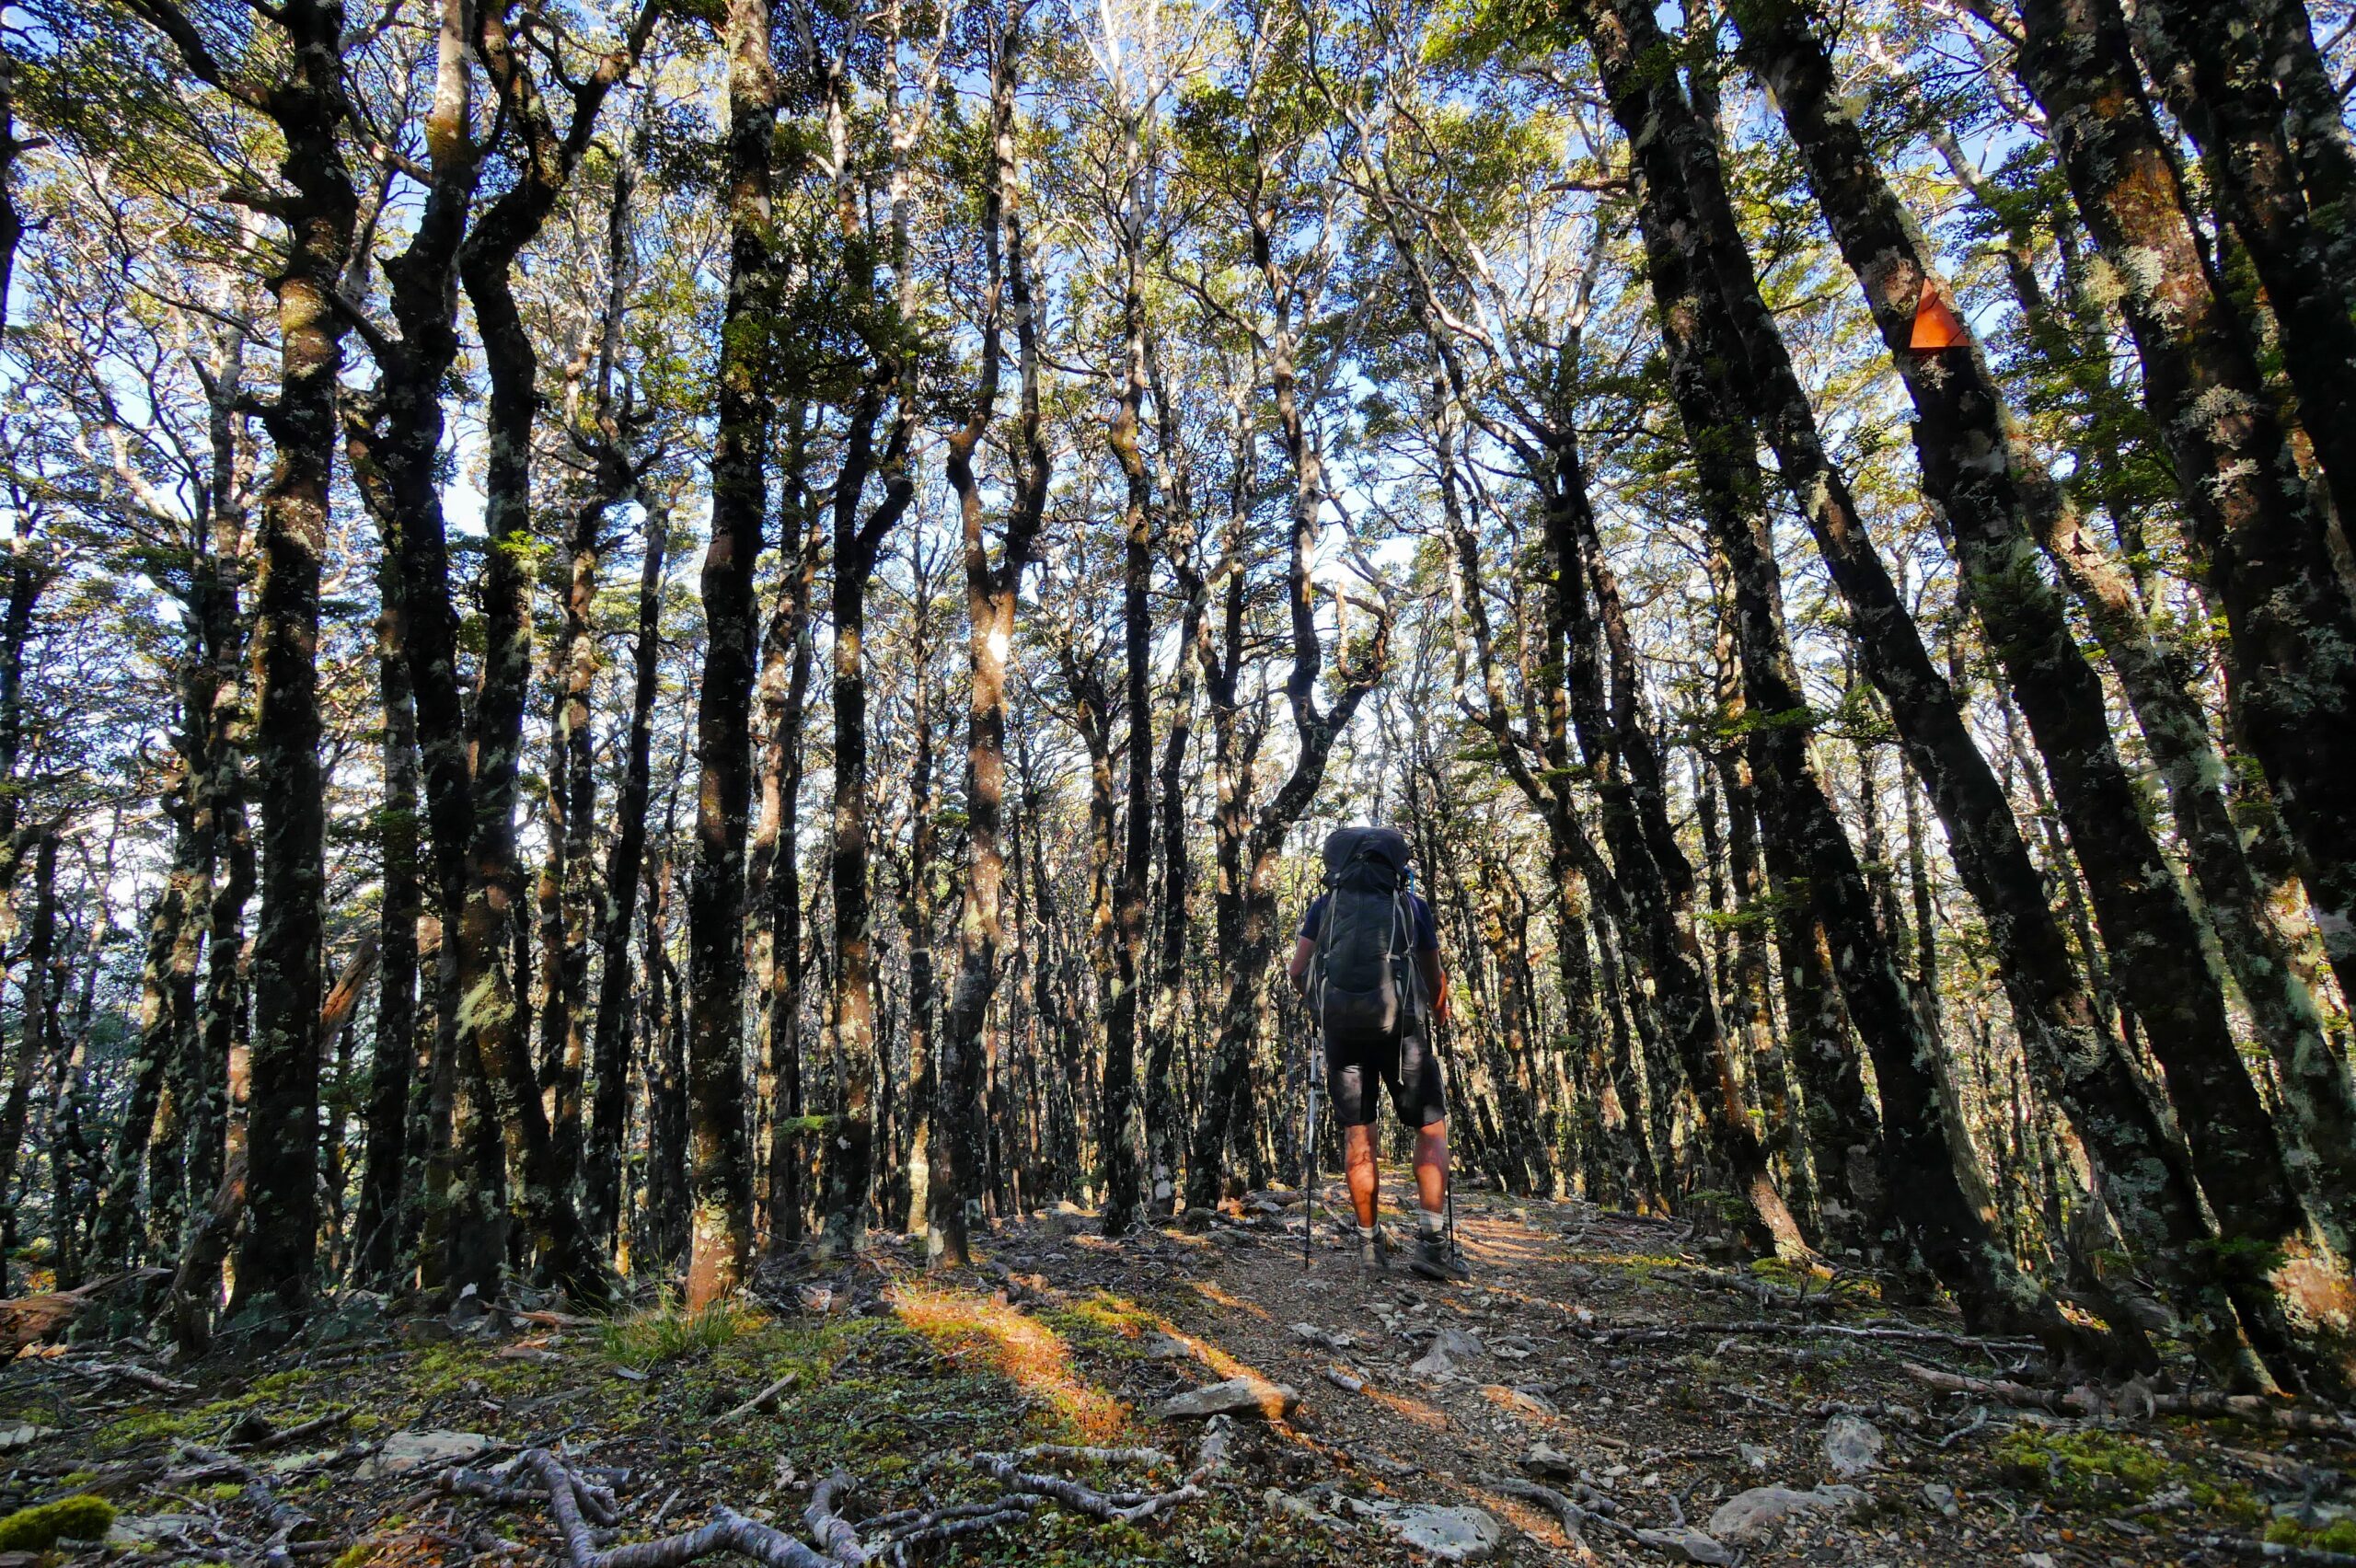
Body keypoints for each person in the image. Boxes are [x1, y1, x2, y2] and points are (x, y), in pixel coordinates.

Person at [1287, 827, 1469, 1283]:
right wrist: (1438, 1011)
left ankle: (1370, 1249)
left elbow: (1298, 971)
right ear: (1396, 865)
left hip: (1344, 1033)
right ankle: (1430, 1245)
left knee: (1359, 1137)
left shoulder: (1326, 908)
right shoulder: (1411, 907)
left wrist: (1324, 1010)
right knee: (1430, 1127)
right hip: (1403, 1032)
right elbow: (1434, 974)